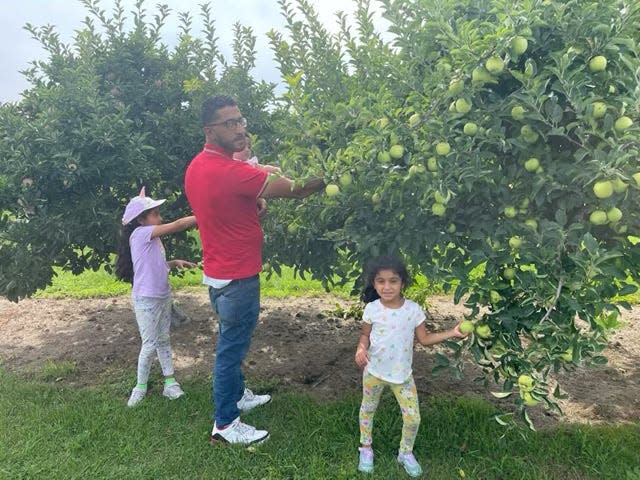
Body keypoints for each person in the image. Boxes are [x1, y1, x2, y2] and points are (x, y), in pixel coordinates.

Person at [184, 95, 324, 445]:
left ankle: (239, 395)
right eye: (229, 124)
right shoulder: (232, 171)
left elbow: (225, 210)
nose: (239, 129)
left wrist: (254, 205)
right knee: (230, 352)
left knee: (233, 345)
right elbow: (298, 189)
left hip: (218, 273)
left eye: (240, 120)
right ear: (209, 130)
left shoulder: (198, 166)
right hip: (238, 278)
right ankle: (226, 424)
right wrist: (335, 172)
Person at [354, 255, 468, 477]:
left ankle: (405, 452)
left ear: (402, 283)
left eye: (393, 281)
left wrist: (452, 333)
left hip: (402, 375)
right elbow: (365, 335)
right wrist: (360, 348)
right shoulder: (372, 309)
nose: (387, 287)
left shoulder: (414, 310)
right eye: (380, 281)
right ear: (374, 283)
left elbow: (424, 339)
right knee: (367, 410)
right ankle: (365, 448)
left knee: (413, 417)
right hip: (374, 372)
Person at [115, 187, 198, 407]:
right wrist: (203, 215)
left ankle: (170, 383)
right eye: (155, 214)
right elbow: (178, 225)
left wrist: (174, 263)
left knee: (163, 340)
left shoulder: (150, 238)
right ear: (140, 220)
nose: (159, 218)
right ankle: (139, 387)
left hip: (161, 296)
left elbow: (154, 265)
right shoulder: (141, 233)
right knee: (150, 343)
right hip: (146, 299)